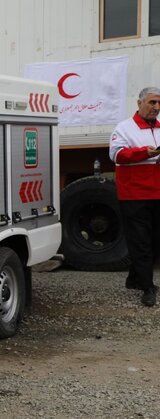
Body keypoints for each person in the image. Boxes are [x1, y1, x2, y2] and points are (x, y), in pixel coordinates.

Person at [109, 87, 160, 307]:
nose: (156, 107)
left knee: (154, 240)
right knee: (141, 242)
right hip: (135, 194)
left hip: (157, 193)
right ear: (139, 103)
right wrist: (144, 153)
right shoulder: (124, 128)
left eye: (159, 103)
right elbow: (116, 155)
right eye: (151, 102)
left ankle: (134, 278)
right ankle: (147, 287)